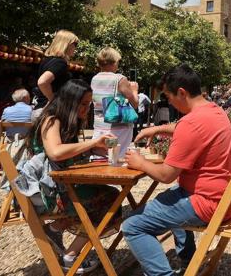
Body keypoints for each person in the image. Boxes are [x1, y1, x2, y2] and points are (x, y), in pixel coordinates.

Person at [122, 64, 231, 275]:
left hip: (207, 202)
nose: (170, 102)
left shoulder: (191, 123)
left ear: (182, 93)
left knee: (132, 226)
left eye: (169, 96)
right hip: (227, 198)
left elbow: (166, 175)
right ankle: (188, 261)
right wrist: (157, 128)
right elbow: (186, 128)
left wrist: (140, 163)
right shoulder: (214, 110)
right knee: (171, 196)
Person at [14, 80, 118, 274]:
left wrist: (99, 149)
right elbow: (55, 152)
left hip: (58, 186)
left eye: (89, 104)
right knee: (110, 201)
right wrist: (92, 144)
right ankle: (70, 256)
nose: (87, 109)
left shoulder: (65, 121)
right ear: (70, 102)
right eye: (84, 104)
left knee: (109, 196)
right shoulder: (52, 120)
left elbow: (67, 154)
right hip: (45, 193)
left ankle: (56, 229)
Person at [90, 47, 138, 158]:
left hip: (99, 126)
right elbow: (135, 103)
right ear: (114, 61)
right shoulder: (120, 79)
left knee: (102, 156)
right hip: (118, 128)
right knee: (116, 157)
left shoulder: (94, 79)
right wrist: (135, 90)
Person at [33, 30, 79, 121]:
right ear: (66, 44)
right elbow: (42, 82)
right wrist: (52, 100)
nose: (75, 48)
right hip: (52, 112)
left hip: (41, 109)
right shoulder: (60, 63)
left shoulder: (47, 60)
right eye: (75, 44)